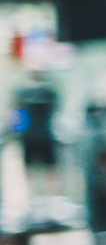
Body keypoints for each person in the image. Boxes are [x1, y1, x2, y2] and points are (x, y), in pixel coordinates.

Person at [14, 70, 60, 204]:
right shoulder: (24, 93)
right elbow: (18, 115)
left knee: (49, 169)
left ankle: (49, 199)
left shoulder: (48, 92)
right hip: (35, 135)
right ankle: (33, 198)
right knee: (33, 168)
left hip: (43, 135)